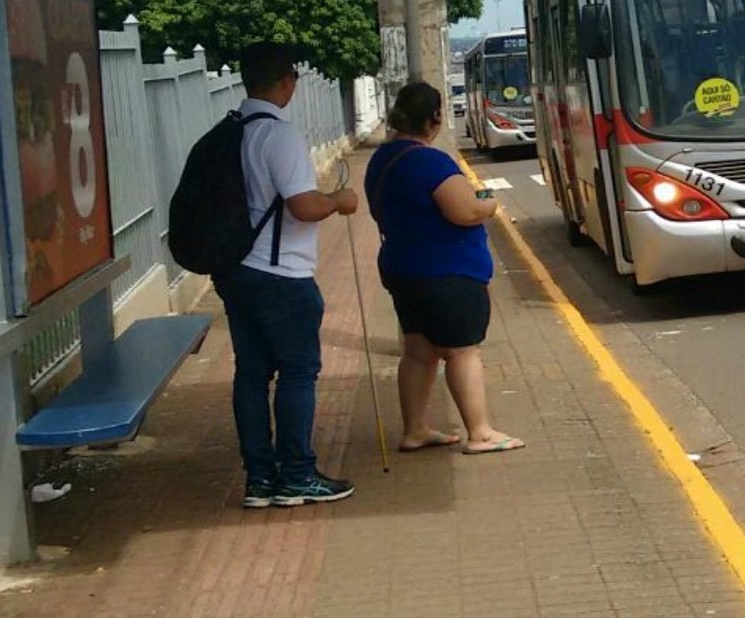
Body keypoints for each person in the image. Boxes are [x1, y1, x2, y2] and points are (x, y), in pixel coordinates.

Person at [214, 43, 362, 509]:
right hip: (281, 274)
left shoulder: (230, 132)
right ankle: (297, 475)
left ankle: (260, 479)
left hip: (237, 271)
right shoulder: (280, 137)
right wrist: (339, 200)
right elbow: (303, 206)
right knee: (298, 372)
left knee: (252, 375)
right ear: (285, 80)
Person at [364, 82, 524, 456]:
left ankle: (415, 428)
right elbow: (464, 210)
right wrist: (488, 205)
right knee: (462, 351)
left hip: (404, 269)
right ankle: (480, 432)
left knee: (419, 350)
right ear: (434, 118)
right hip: (447, 273)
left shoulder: (382, 159)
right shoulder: (428, 161)